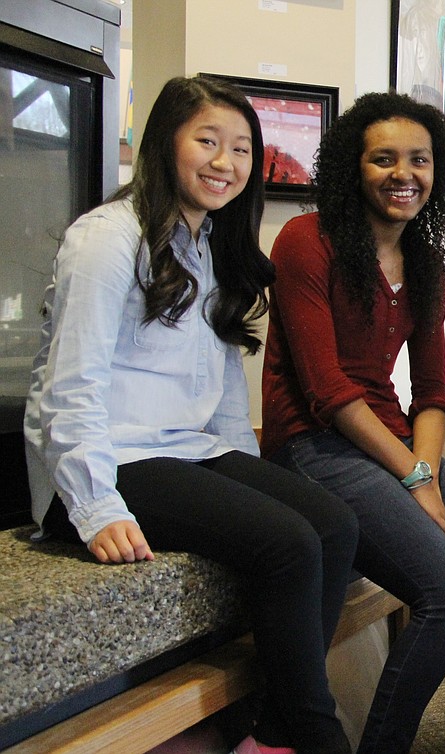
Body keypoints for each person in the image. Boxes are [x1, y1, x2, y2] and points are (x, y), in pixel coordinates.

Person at [23, 76, 358, 754]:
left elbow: (221, 394)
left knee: (333, 524)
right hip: (109, 461)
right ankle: (316, 740)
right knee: (287, 545)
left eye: (240, 149)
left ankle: (269, 734)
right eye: (207, 141)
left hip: (183, 451)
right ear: (165, 144)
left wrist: (245, 475)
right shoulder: (107, 238)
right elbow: (68, 386)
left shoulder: (207, 247)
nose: (225, 163)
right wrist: (95, 507)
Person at [261, 92, 445, 754]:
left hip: (394, 447)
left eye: (419, 160)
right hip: (315, 446)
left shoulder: (426, 261)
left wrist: (426, 469)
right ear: (354, 167)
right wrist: (414, 474)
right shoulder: (305, 240)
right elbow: (325, 391)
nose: (403, 174)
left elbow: (432, 391)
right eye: (383, 159)